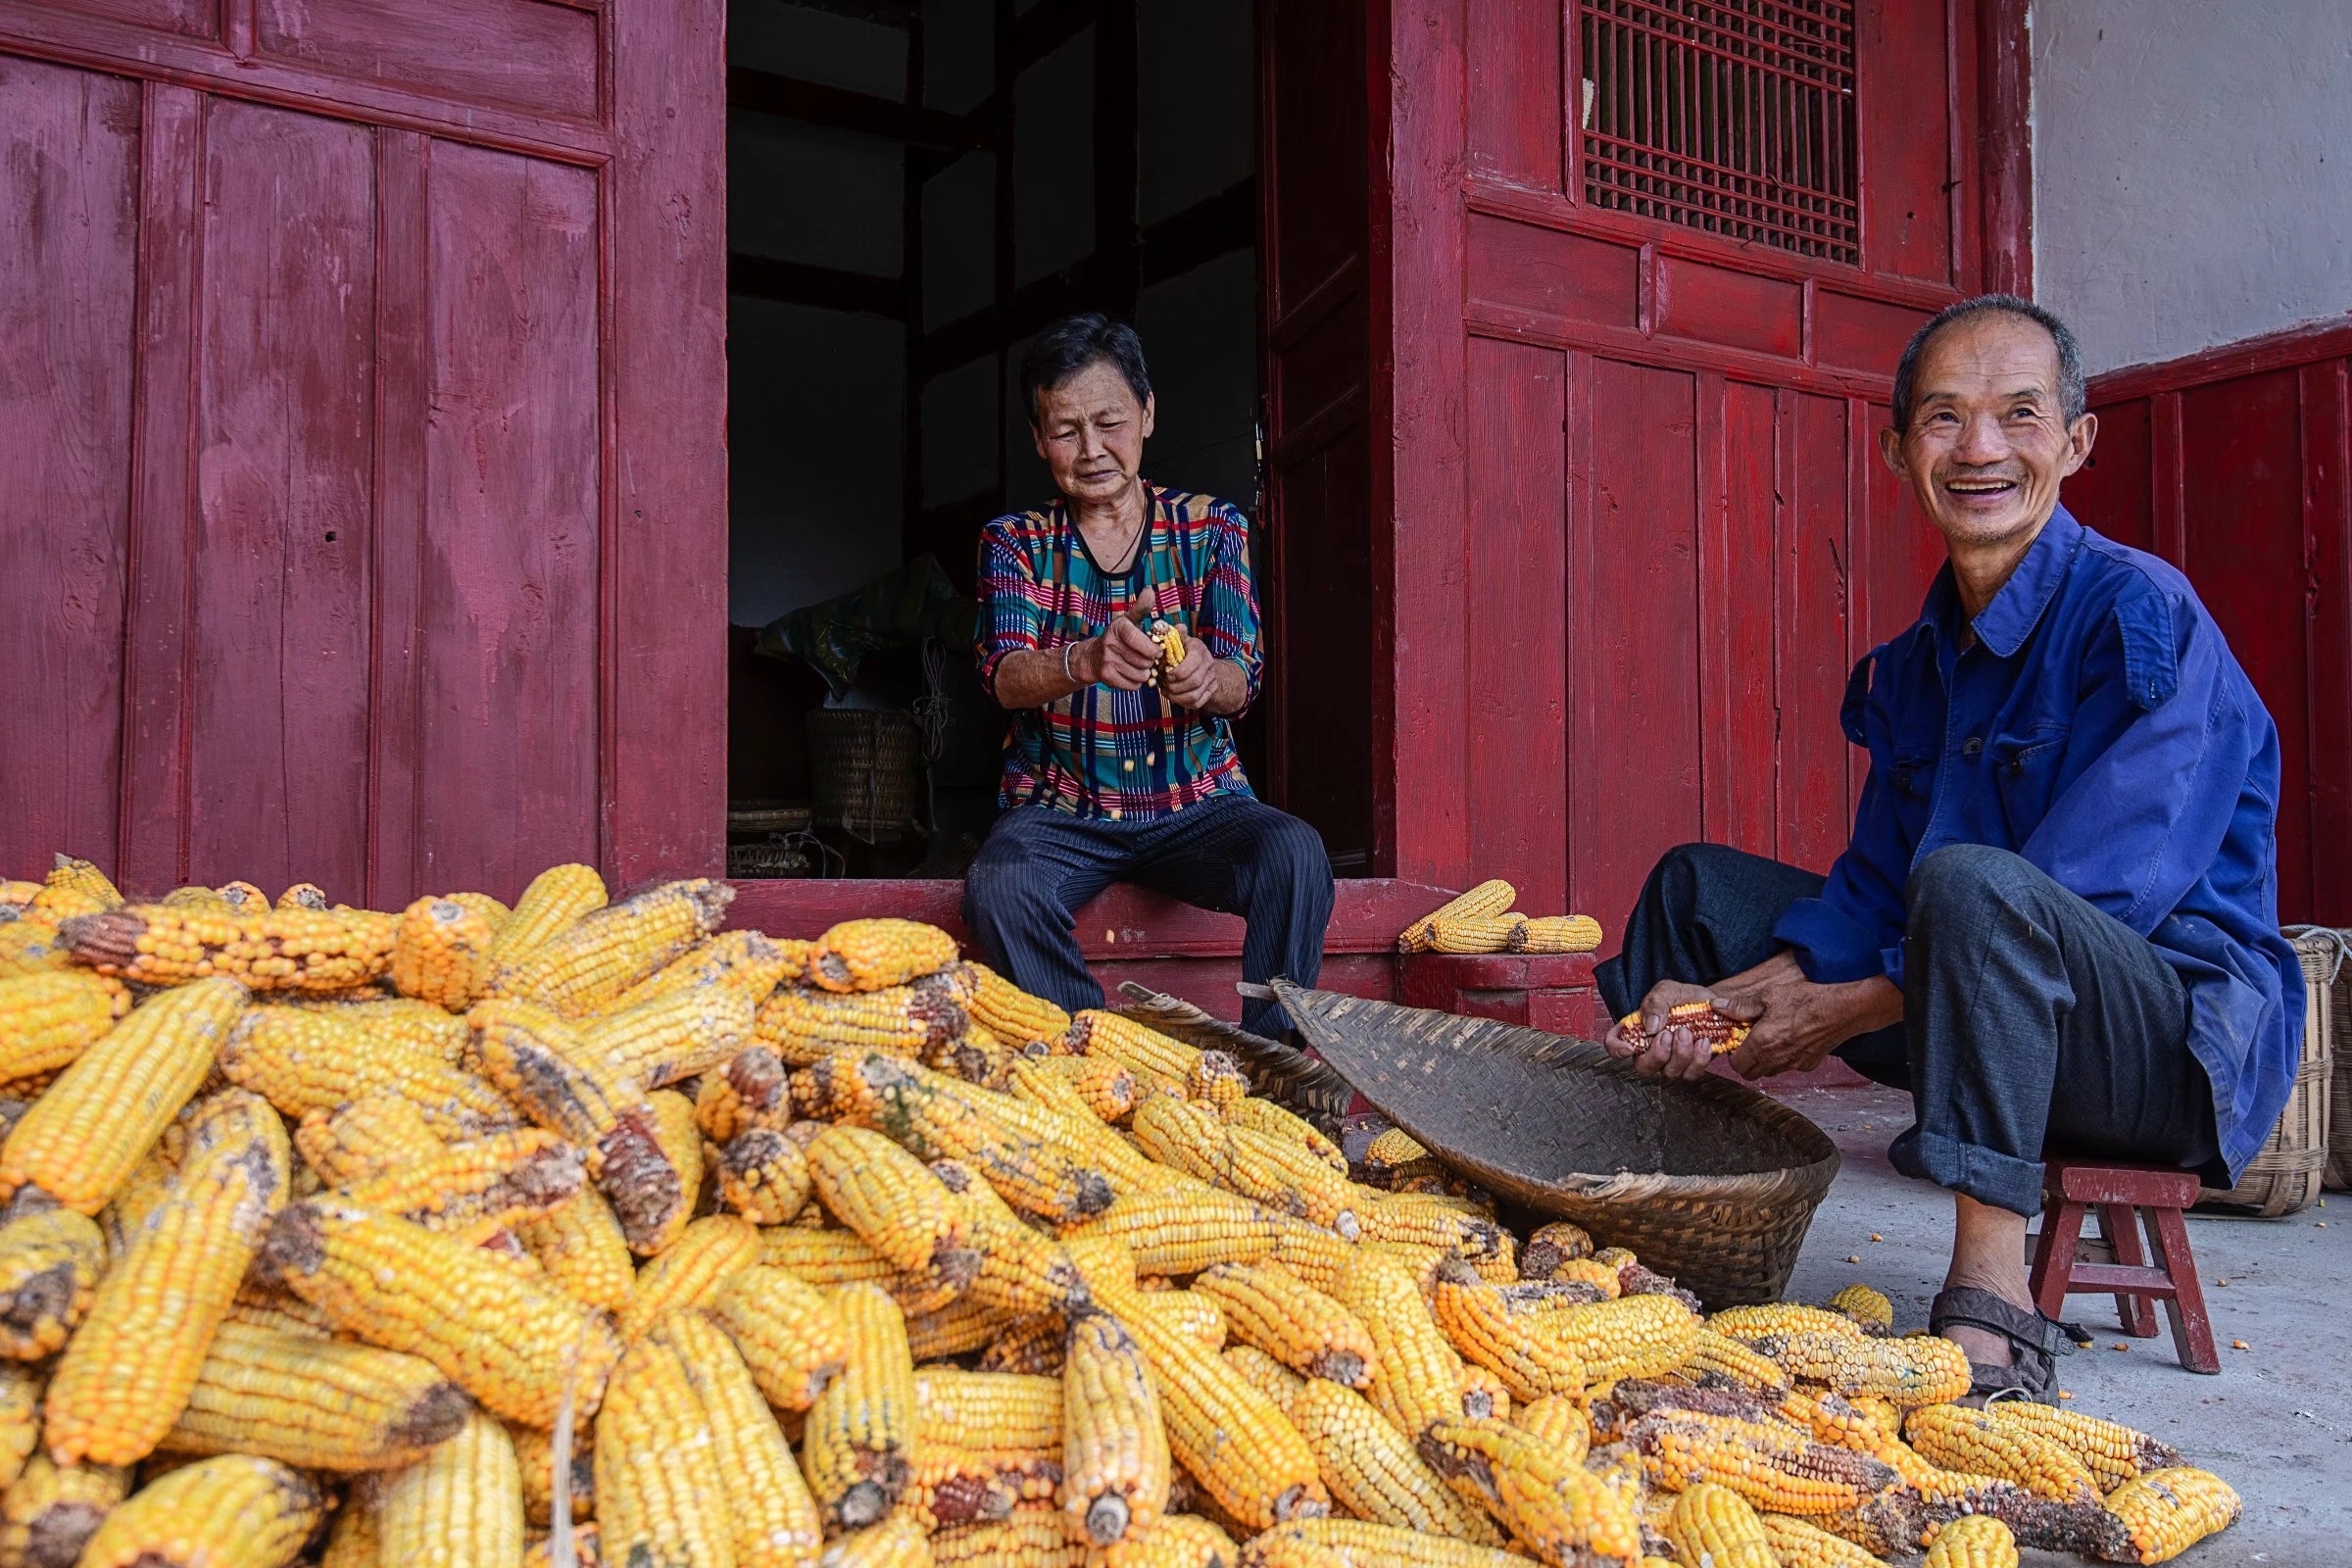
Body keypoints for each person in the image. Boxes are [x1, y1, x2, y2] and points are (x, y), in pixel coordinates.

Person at [1598, 294, 2301, 1402]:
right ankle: (1642, 1223)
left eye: (2019, 415)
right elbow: (1870, 892)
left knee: (1974, 887)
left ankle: (1991, 1307)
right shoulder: (1920, 662)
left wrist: (1837, 1009)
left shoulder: (2141, 614)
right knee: (1697, 890)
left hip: (2155, 1047)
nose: (1979, 449)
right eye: (1942, 419)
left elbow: (2097, 896)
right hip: (1972, 1008)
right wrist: (1734, 999)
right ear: (1896, 450)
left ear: (2076, 442)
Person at [962, 314, 1333, 1040]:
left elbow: (1242, 678)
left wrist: (1203, 676)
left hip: (1196, 804)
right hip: (1063, 809)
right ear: (1039, 441)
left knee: (1294, 853)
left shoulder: (1212, 529)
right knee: (1000, 883)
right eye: (1066, 431)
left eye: (1110, 422)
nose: (1092, 449)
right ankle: (1102, 1058)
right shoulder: (1014, 543)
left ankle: (1268, 1068)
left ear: (1148, 414)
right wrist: (1085, 660)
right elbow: (1003, 676)